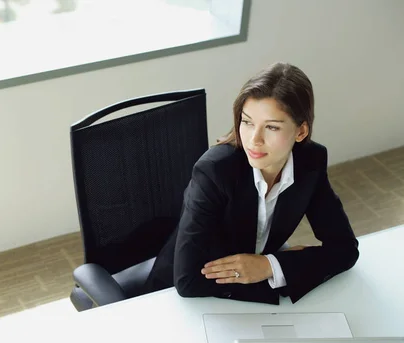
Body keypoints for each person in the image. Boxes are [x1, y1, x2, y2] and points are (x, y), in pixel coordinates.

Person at [143, 62, 359, 305]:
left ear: (301, 132)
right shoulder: (215, 171)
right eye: (247, 122)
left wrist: (270, 265)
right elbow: (187, 281)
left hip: (243, 295)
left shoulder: (311, 162)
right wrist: (281, 271)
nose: (254, 140)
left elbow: (345, 249)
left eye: (271, 127)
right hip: (176, 298)